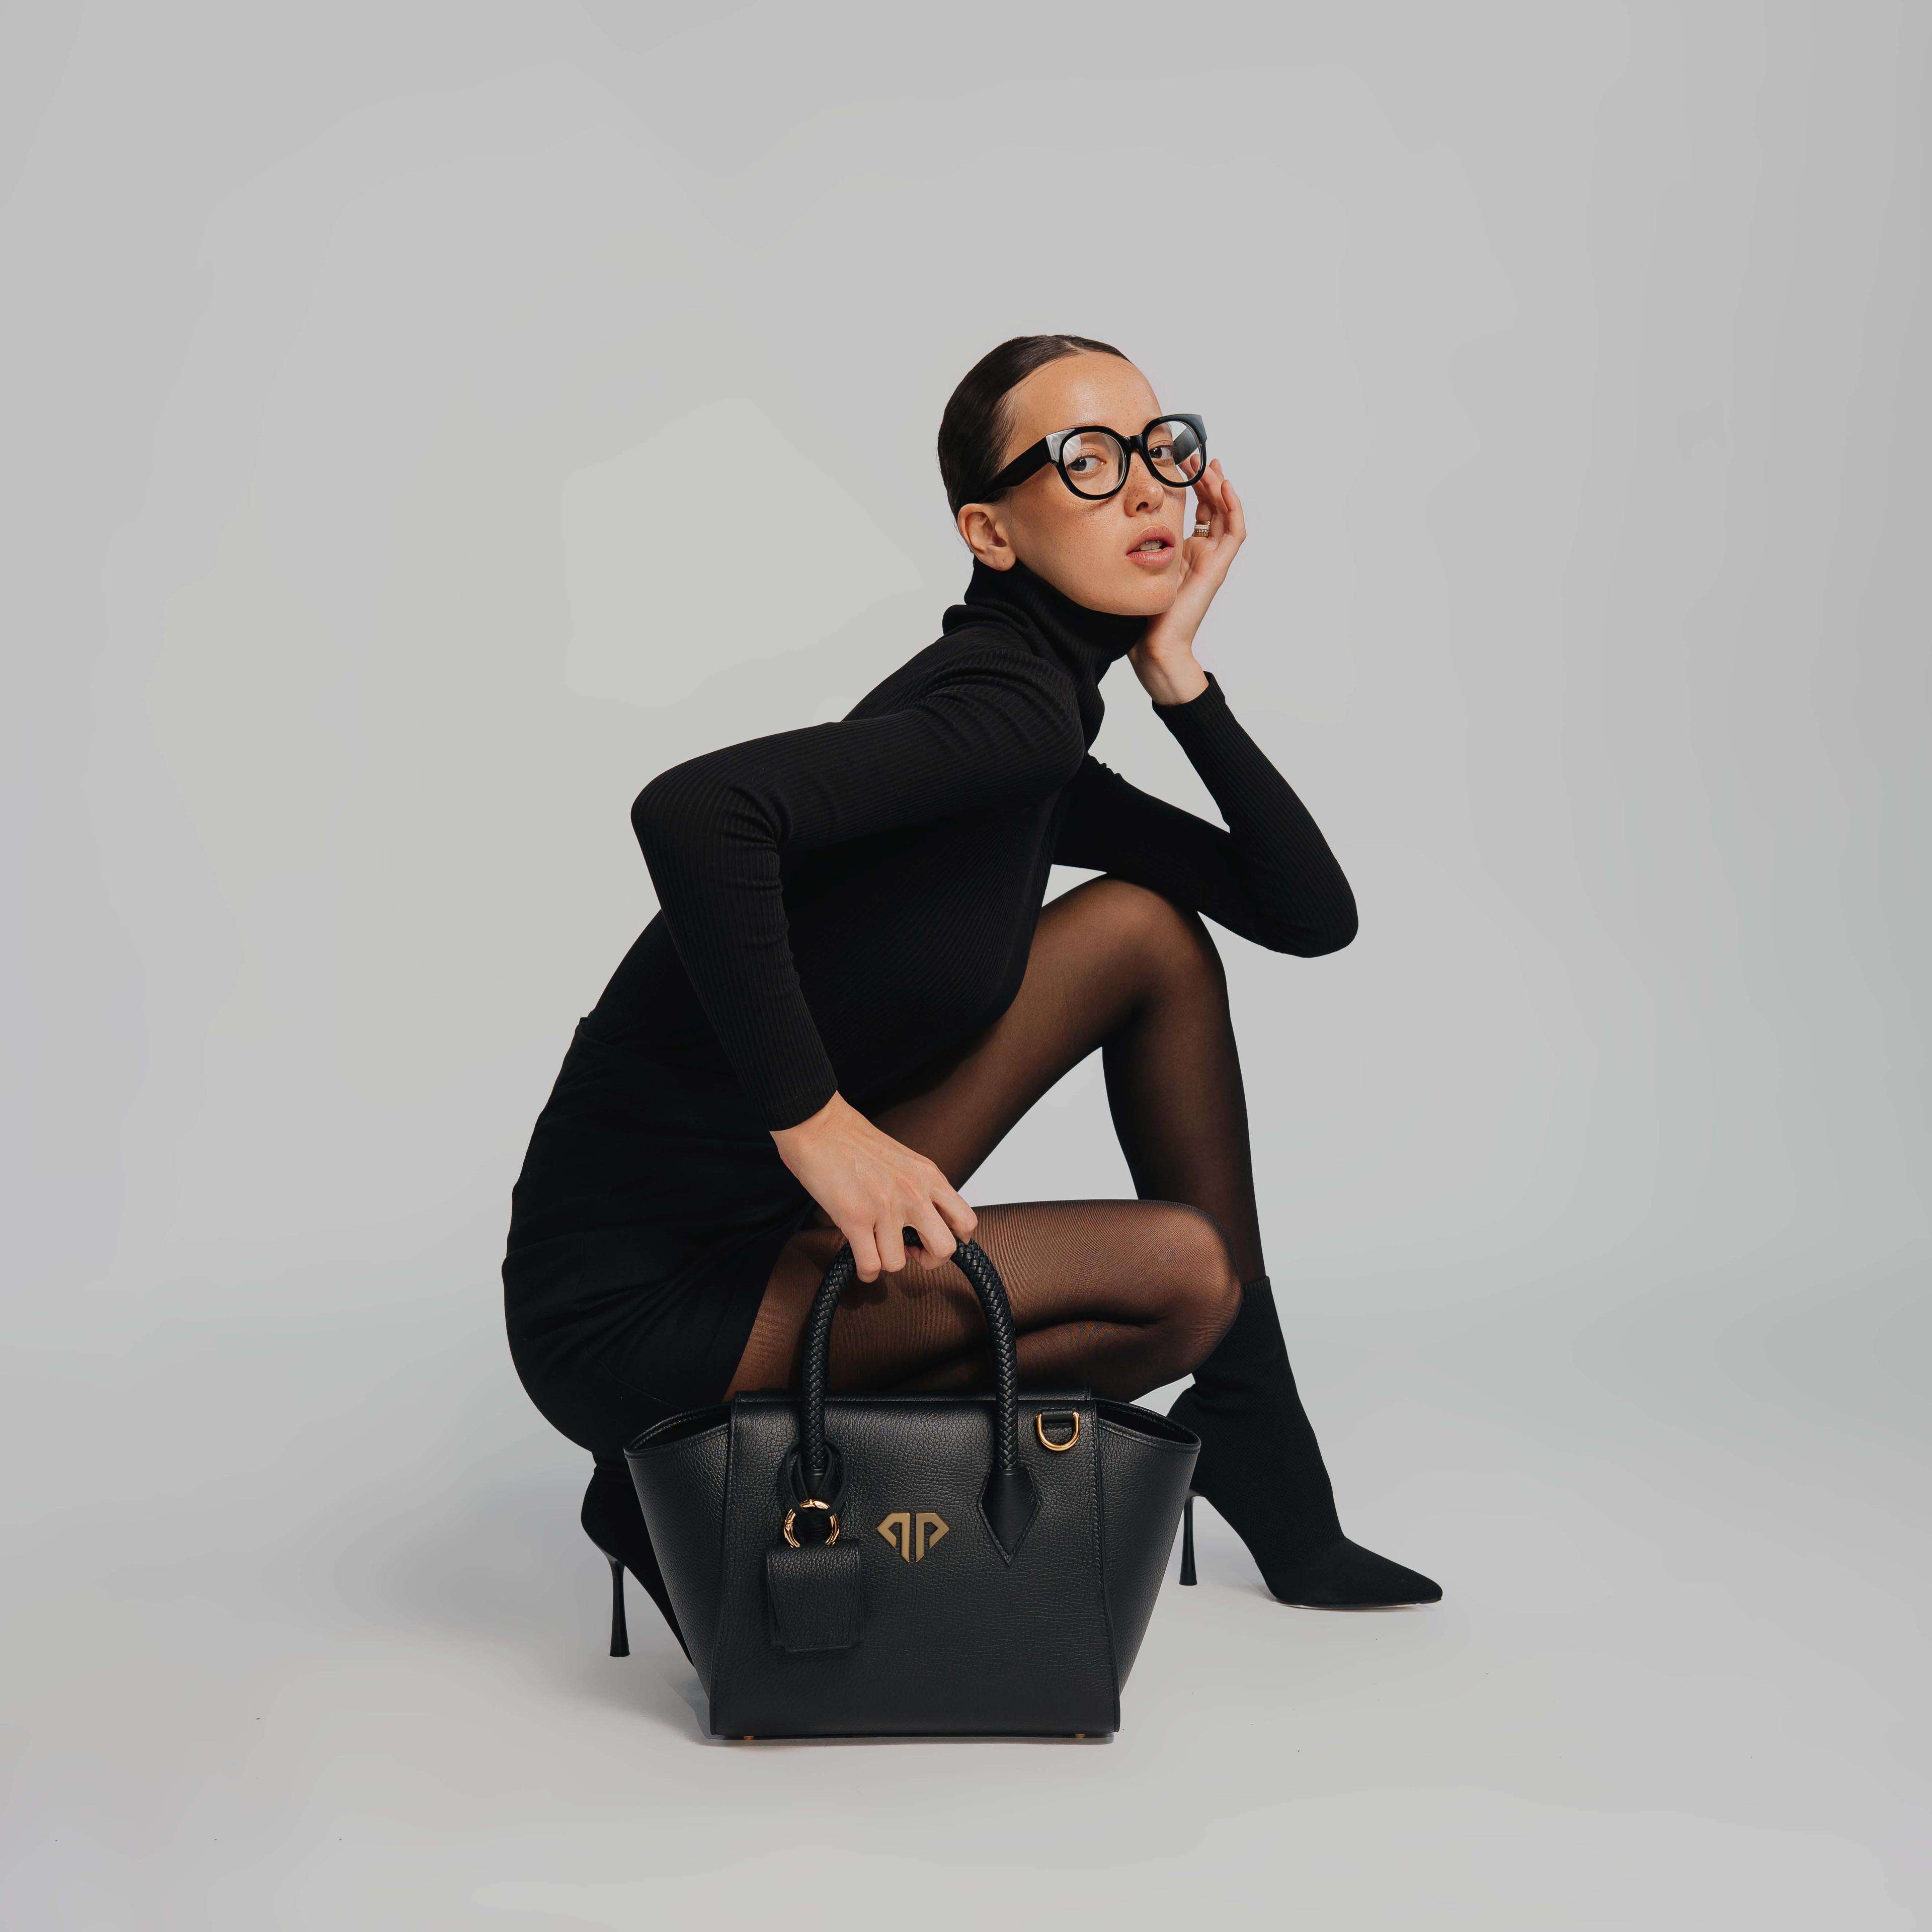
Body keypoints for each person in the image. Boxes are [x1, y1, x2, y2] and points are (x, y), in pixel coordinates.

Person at [502, 333, 1441, 1661]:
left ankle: (1255, 1439)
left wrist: (1179, 675)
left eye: (1160, 449)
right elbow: (697, 812)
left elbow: (1306, 912)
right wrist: (819, 1125)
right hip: (637, 1301)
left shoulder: (1039, 737)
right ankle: (689, 1459)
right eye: (1086, 460)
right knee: (1184, 1278)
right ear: (991, 534)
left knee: (1142, 933)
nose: (1146, 487)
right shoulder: (1006, 714)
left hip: (766, 1231)